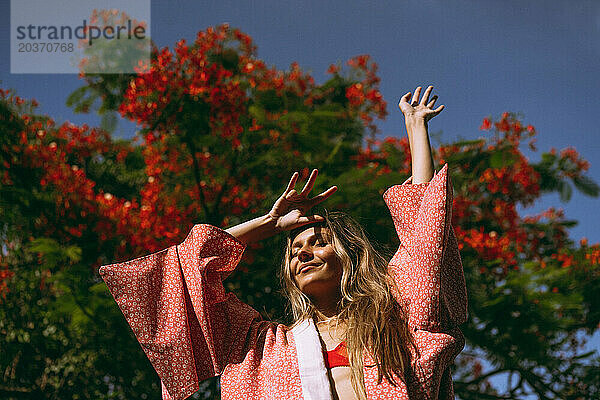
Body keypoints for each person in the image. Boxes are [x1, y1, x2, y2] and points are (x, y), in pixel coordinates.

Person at [99, 85, 468, 400]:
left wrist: (415, 126)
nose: (303, 253)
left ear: (351, 257)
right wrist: (269, 223)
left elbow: (425, 233)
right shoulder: (259, 346)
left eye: (319, 242)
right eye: (293, 251)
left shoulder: (398, 318)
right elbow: (187, 270)